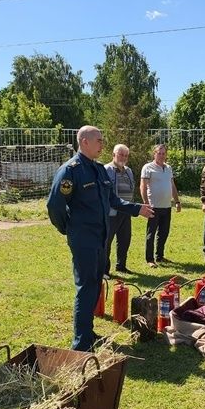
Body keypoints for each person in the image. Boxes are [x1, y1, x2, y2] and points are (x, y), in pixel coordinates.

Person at [47, 126, 153, 352]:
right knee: (85, 288)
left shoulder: (99, 170)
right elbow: (54, 205)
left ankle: (88, 332)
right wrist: (69, 229)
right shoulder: (70, 171)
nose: (102, 144)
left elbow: (113, 200)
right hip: (83, 239)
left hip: (100, 237)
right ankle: (81, 343)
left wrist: (137, 208)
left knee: (95, 286)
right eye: (99, 140)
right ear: (84, 141)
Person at [140, 144, 181, 268]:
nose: (162, 155)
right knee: (151, 233)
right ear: (154, 154)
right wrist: (146, 203)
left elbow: (172, 185)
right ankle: (150, 259)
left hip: (166, 206)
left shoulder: (168, 168)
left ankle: (160, 256)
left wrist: (177, 201)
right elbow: (143, 186)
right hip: (154, 206)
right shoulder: (148, 167)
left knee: (164, 232)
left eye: (164, 153)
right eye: (159, 153)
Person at [104, 144, 136, 276]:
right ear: (113, 155)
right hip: (112, 212)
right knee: (107, 242)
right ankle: (104, 270)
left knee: (124, 240)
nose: (123, 157)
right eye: (120, 154)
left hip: (126, 211)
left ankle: (121, 265)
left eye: (125, 155)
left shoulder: (128, 170)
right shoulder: (106, 170)